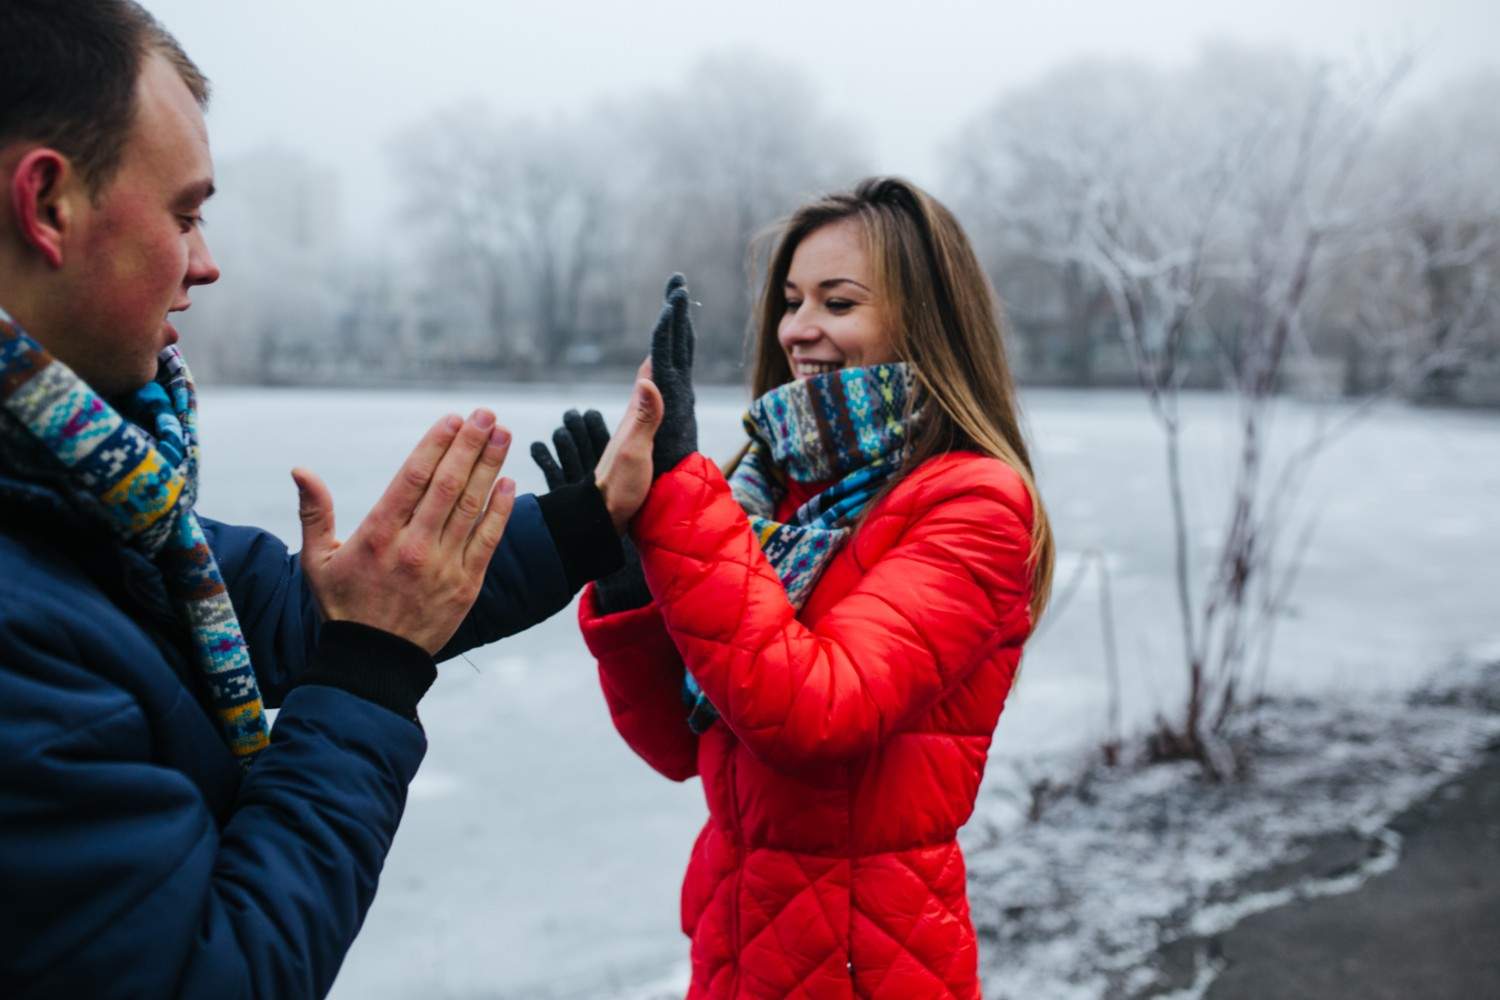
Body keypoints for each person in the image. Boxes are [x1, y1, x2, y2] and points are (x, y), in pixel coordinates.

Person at [0, 2, 663, 996]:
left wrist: (584, 520)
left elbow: (301, 606)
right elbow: (208, 975)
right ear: (48, 203)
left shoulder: (83, 505)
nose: (208, 261)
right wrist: (370, 672)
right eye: (185, 214)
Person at [547, 179, 1056, 998]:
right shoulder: (778, 490)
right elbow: (684, 747)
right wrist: (629, 578)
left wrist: (681, 495)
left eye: (838, 302)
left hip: (868, 966)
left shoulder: (972, 504)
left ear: (925, 318)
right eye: (791, 301)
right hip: (741, 953)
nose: (798, 329)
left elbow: (816, 714)